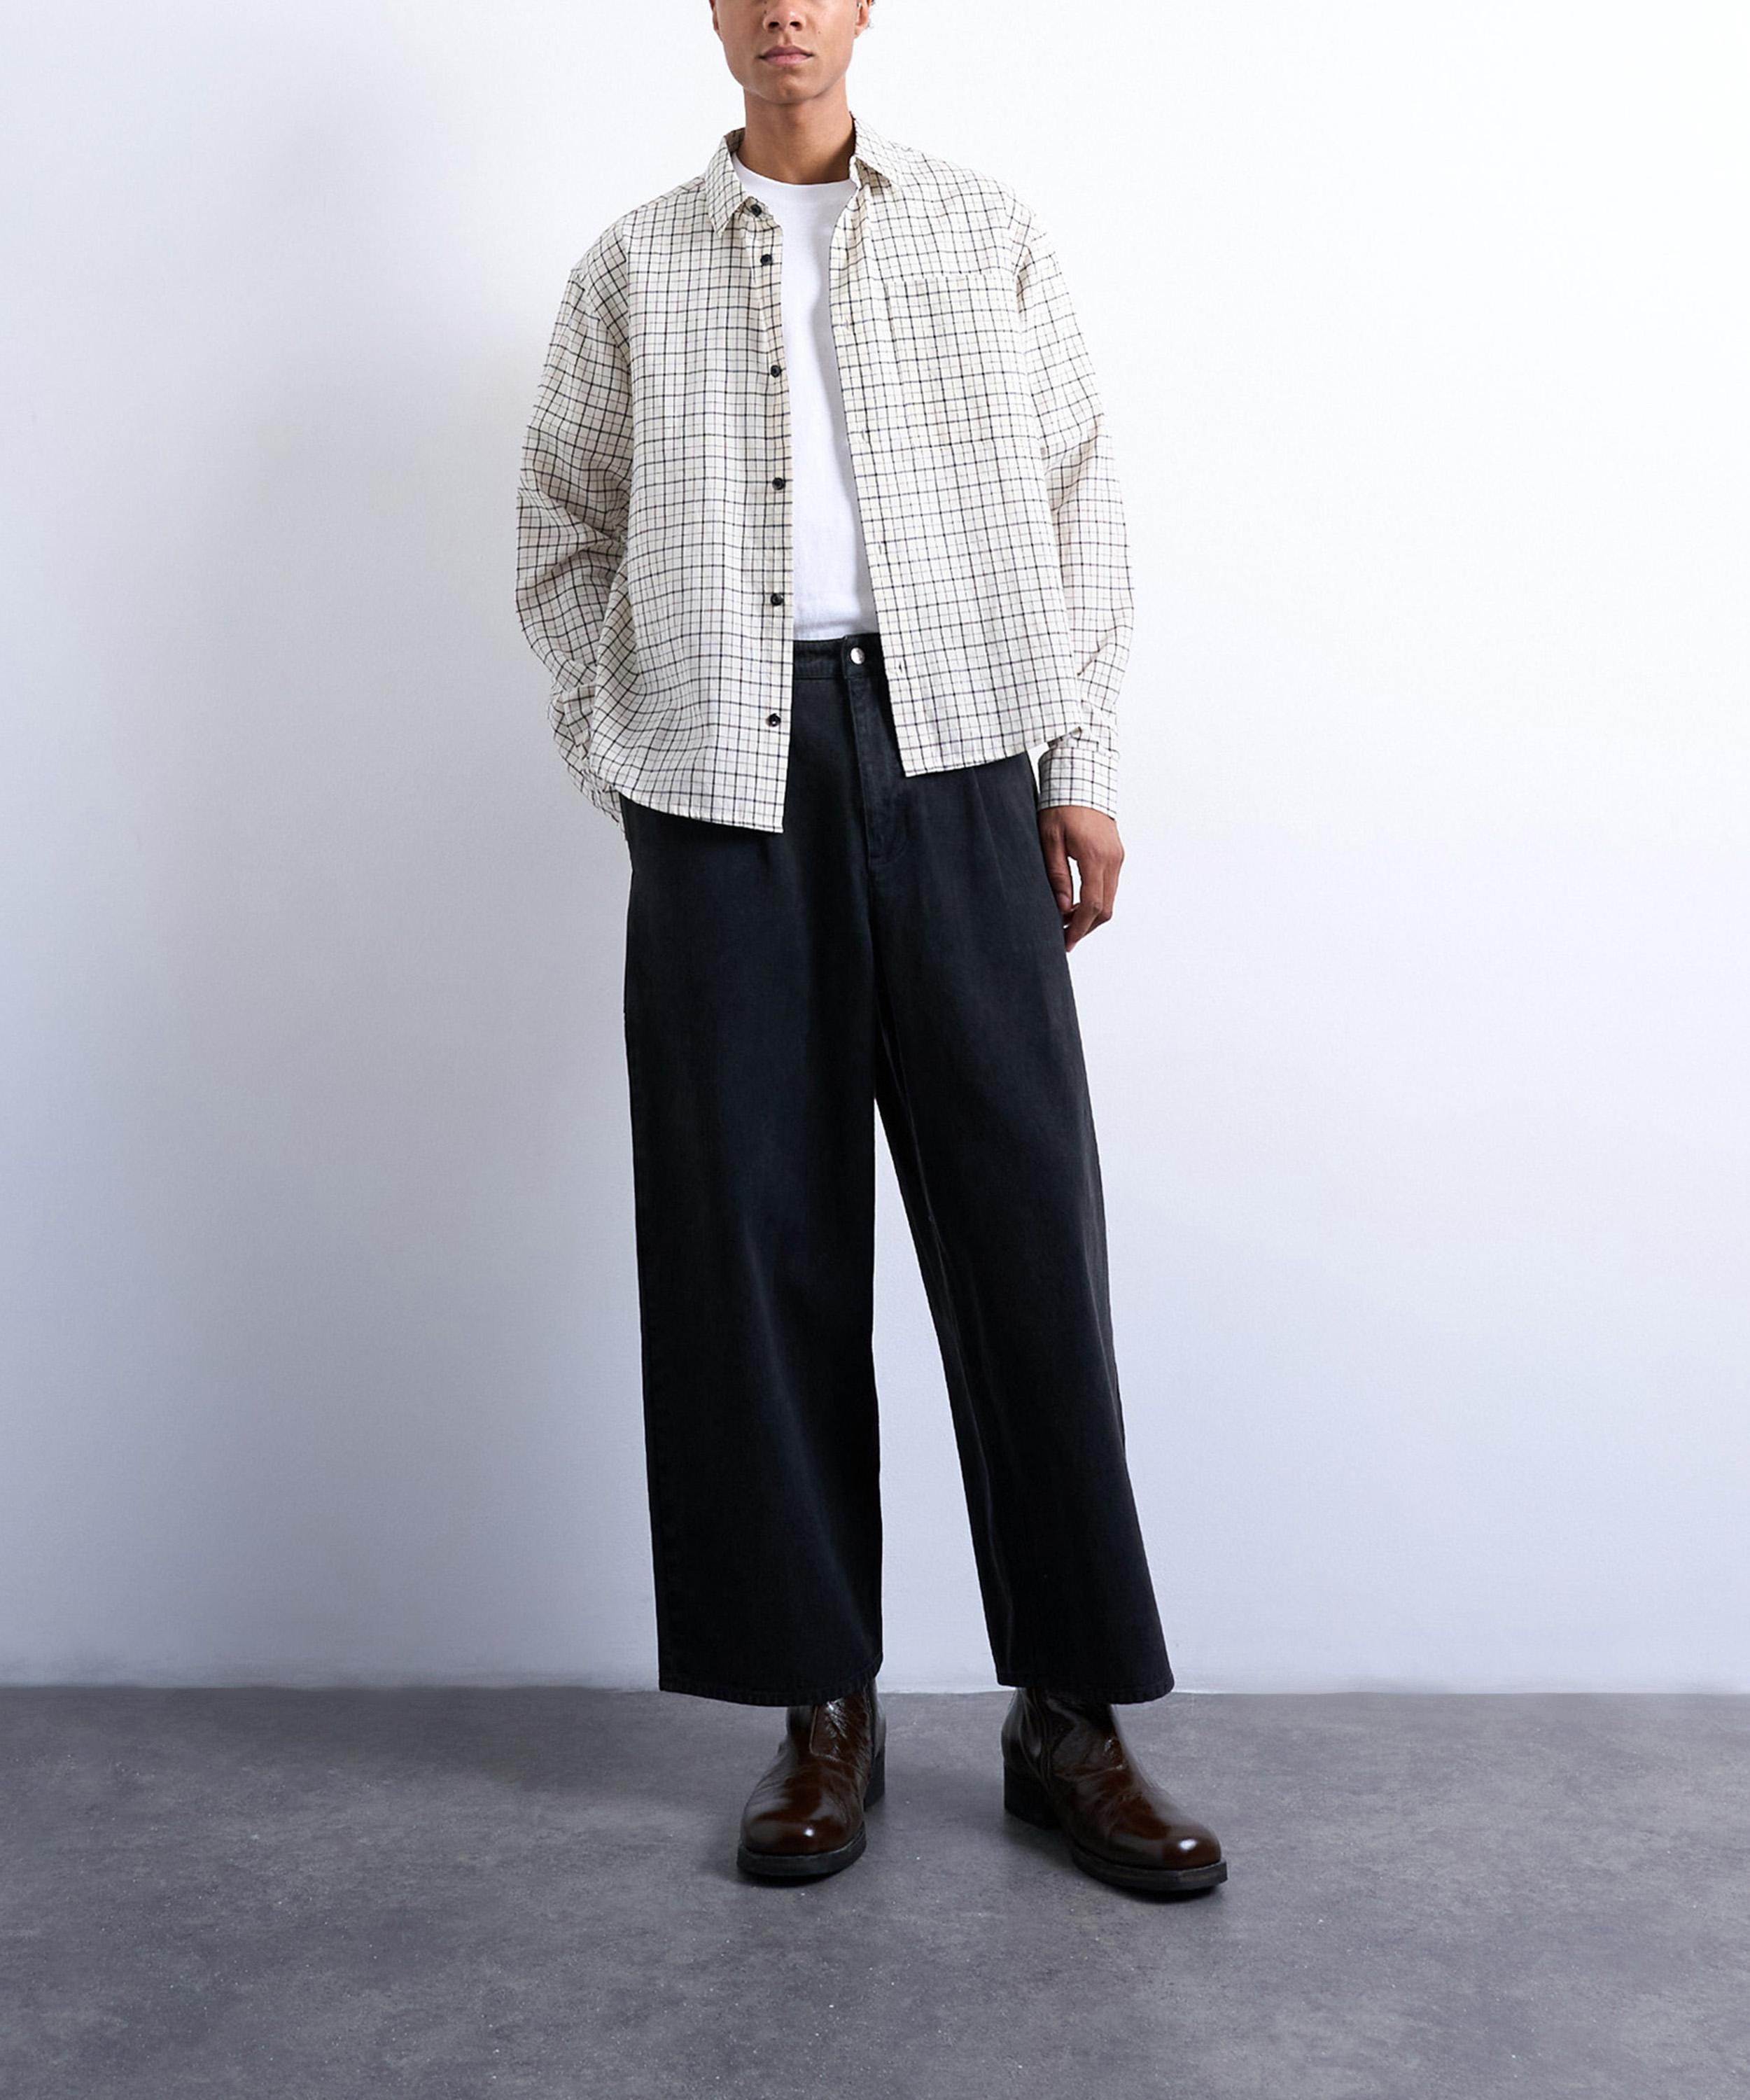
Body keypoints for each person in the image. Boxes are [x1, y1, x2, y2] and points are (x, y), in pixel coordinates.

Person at [514, 0, 1226, 1894]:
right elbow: (559, 538)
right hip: (722, 791)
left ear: (858, 9)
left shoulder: (983, 230)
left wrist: (1079, 767)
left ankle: (1071, 1714)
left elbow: (1081, 502)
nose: (782, 12)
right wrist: (637, 748)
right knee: (754, 1247)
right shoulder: (634, 265)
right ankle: (817, 1707)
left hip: (963, 751)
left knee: (1023, 1229)